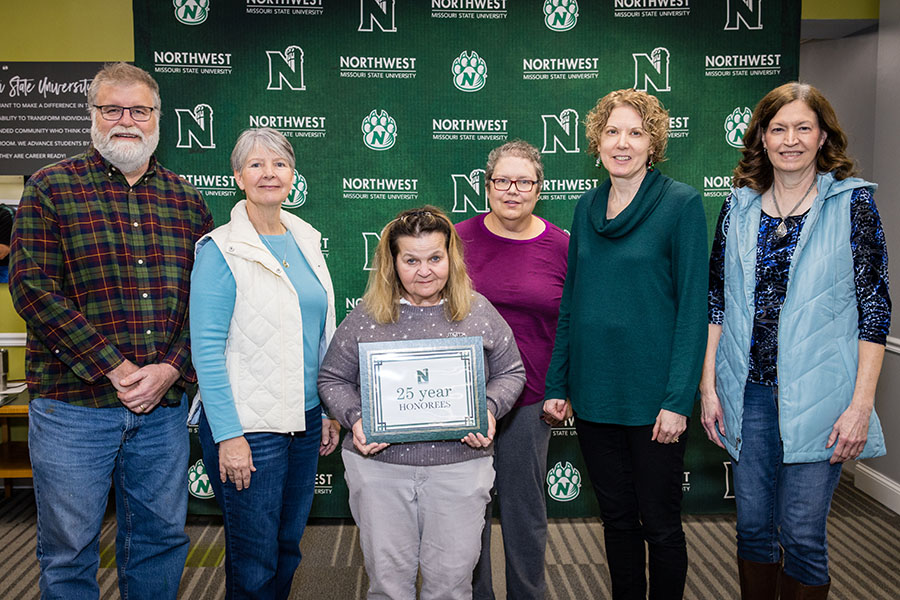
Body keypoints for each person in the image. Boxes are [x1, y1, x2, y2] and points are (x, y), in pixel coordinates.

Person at [9, 62, 213, 599]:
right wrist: (116, 368)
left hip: (162, 412)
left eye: (139, 110)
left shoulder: (186, 199)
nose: (127, 120)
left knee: (160, 539)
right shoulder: (50, 188)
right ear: (93, 116)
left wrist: (172, 368)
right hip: (72, 408)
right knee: (70, 547)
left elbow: (210, 303)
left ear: (157, 119)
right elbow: (33, 289)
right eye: (113, 109)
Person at [700, 82, 890, 600]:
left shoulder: (854, 206)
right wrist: (709, 387)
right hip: (750, 395)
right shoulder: (737, 208)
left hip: (823, 397)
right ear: (761, 136)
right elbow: (716, 301)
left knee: (803, 536)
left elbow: (875, 309)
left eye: (803, 127)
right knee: (754, 531)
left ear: (822, 135)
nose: (790, 139)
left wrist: (860, 405)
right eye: (778, 128)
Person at [543, 88, 708, 600]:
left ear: (653, 144)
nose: (622, 143)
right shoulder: (586, 206)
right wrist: (558, 383)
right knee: (615, 521)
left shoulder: (682, 204)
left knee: (660, 524)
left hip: (654, 399)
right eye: (612, 131)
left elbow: (692, 312)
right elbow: (572, 302)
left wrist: (678, 400)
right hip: (595, 396)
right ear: (596, 142)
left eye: (635, 132)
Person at [318, 206, 526, 599]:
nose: (424, 270)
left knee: (451, 584)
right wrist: (356, 417)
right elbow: (332, 377)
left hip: (460, 468)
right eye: (411, 260)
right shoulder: (369, 316)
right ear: (392, 263)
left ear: (451, 257)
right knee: (389, 585)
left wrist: (489, 408)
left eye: (435, 258)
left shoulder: (477, 311)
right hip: (380, 470)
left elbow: (512, 371)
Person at [190, 127, 340, 598]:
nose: (268, 173)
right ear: (237, 176)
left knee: (288, 547)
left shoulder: (306, 238)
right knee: (254, 560)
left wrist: (330, 408)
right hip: (250, 429)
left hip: (306, 418)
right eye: (256, 164)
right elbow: (207, 352)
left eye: (279, 164)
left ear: (293, 175)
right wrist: (230, 437)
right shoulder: (220, 249)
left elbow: (322, 333)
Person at [456, 140, 568, 600]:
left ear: (539, 189)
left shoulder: (562, 245)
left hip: (531, 399)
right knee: (467, 511)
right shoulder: (456, 239)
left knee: (525, 511)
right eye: (502, 180)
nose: (512, 190)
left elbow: (572, 324)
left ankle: (528, 594)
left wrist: (563, 387)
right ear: (487, 187)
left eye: (524, 182)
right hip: (462, 399)